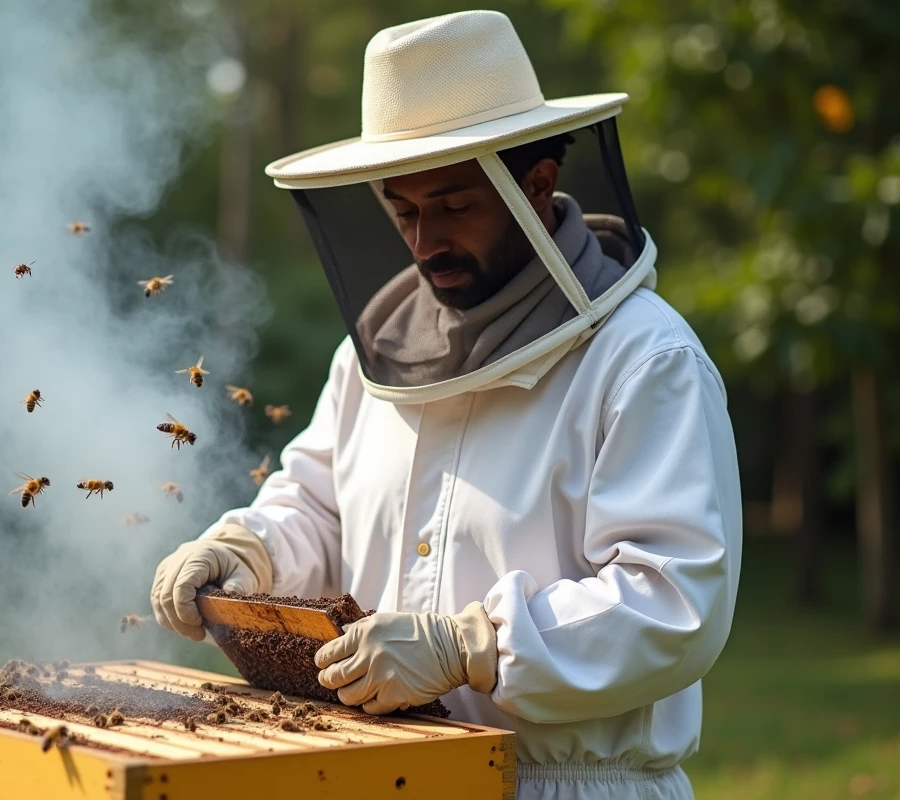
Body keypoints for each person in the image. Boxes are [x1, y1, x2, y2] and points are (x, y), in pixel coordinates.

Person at [151, 10, 741, 800]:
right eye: (403, 211)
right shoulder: (377, 356)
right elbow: (321, 507)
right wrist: (247, 551)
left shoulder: (643, 359)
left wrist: (473, 646)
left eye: (454, 205)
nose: (425, 240)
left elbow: (675, 600)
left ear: (537, 184)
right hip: (386, 774)